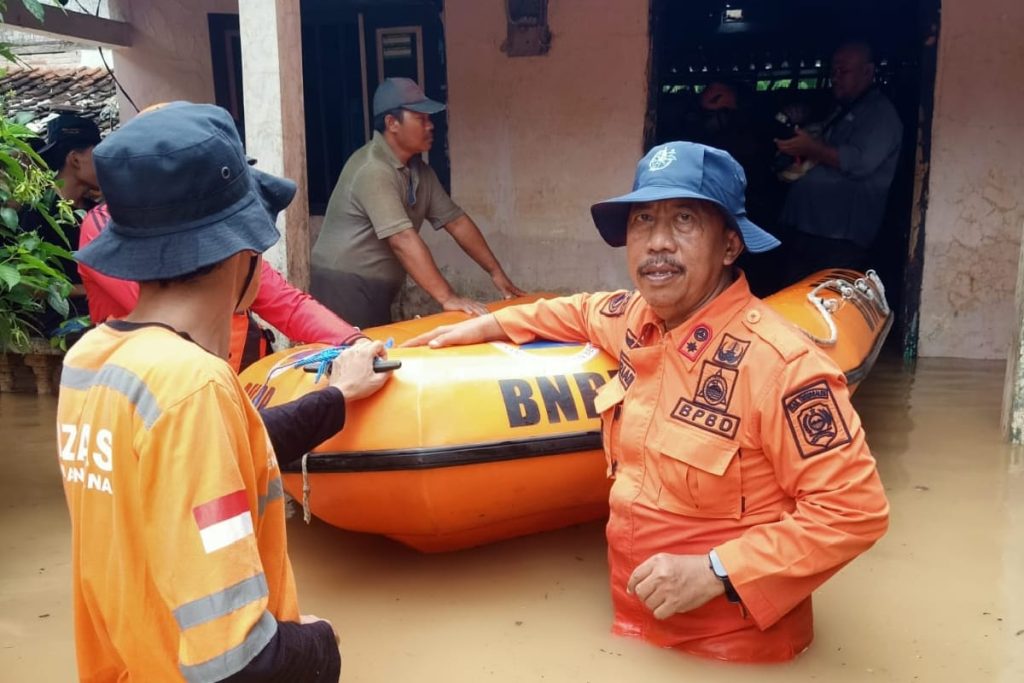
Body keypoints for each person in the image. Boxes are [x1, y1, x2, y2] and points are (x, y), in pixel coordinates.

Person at [405, 141, 890, 663]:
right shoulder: (636, 320)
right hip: (635, 634)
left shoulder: (782, 365)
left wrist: (717, 571)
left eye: (684, 220)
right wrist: (491, 323)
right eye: (642, 222)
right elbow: (578, 311)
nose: (657, 243)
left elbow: (853, 512)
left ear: (729, 246)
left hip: (732, 650)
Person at [58, 102, 389, 681]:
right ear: (245, 257)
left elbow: (235, 450)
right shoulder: (194, 387)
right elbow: (239, 665)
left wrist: (338, 394)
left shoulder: (91, 364)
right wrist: (318, 645)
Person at [310, 77, 523, 328]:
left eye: (429, 119)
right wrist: (448, 297)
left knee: (377, 355)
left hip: (376, 287)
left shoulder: (418, 171)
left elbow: (456, 222)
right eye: (421, 119)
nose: (430, 126)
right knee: (356, 359)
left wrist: (495, 272)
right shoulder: (373, 169)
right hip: (342, 286)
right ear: (392, 123)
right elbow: (402, 239)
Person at [78, 197, 370, 373]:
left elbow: (285, 302)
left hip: (215, 380)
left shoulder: (209, 233)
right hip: (147, 387)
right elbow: (163, 313)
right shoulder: (106, 230)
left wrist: (353, 342)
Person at [776, 41, 903, 281]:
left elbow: (861, 163)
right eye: (833, 71)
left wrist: (812, 148)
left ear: (867, 72)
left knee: (824, 305)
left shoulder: (880, 114)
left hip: (838, 238)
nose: (835, 77)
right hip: (810, 229)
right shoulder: (843, 109)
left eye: (843, 71)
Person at [17, 113, 102, 336]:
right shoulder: (35, 213)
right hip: (61, 323)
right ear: (75, 159)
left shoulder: (97, 213)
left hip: (101, 315)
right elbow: (28, 284)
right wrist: (88, 290)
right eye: (99, 154)